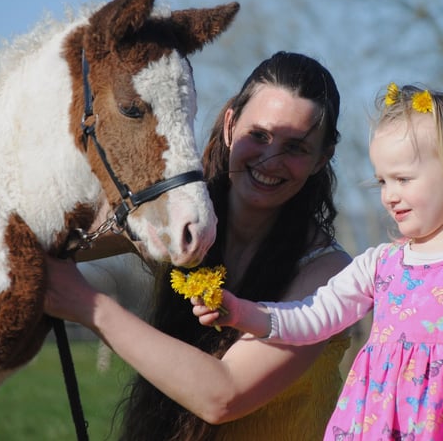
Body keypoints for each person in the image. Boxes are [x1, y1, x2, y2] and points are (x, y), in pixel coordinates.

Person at [44, 51, 352, 440]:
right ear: (230, 126)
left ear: (322, 158)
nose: (270, 160)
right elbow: (49, 237)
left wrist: (89, 306)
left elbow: (224, 396)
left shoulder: (328, 272)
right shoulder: (179, 218)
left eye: (295, 148)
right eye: (259, 136)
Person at [194, 83, 443, 440]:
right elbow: (313, 316)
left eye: (403, 179)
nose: (389, 196)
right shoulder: (381, 264)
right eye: (383, 181)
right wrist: (243, 313)